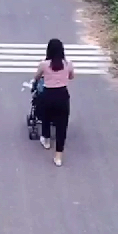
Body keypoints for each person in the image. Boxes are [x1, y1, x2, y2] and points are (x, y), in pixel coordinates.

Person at [32, 38, 74, 166]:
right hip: (62, 96)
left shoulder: (44, 64)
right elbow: (71, 76)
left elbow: (37, 77)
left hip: (48, 95)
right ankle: (58, 157)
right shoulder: (68, 64)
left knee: (45, 116)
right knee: (62, 126)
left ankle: (46, 139)